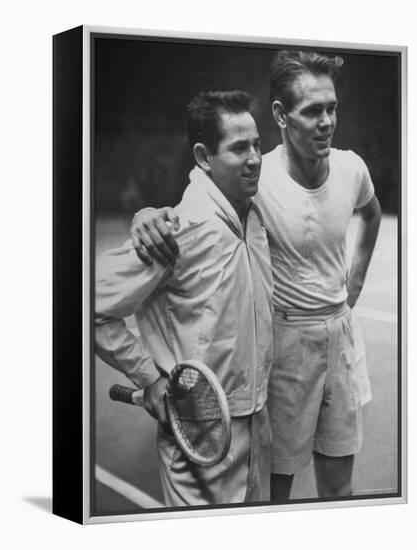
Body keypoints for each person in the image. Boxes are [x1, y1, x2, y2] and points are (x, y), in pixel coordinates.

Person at [130, 51, 382, 503]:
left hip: (341, 336)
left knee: (340, 487)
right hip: (286, 348)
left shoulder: (352, 168)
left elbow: (371, 211)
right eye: (312, 110)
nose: (326, 121)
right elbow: (193, 207)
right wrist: (148, 214)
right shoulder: (255, 175)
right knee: (274, 494)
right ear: (281, 116)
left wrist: (355, 282)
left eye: (332, 108)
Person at [95, 90, 274, 507]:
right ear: (203, 155)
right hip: (199, 438)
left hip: (256, 429)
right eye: (238, 148)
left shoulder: (255, 212)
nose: (254, 159)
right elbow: (89, 303)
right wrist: (150, 379)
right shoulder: (178, 230)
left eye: (257, 145)